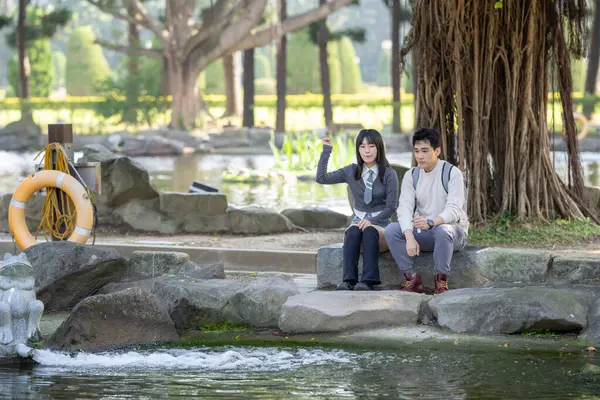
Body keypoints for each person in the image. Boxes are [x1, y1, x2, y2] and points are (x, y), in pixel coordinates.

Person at [384, 127, 469, 295]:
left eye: (425, 151)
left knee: (444, 230)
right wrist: (409, 236)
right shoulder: (412, 175)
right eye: (416, 151)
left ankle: (441, 282)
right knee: (392, 230)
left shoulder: (452, 173)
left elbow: (454, 210)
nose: (420, 156)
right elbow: (405, 208)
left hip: (451, 233)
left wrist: (431, 222)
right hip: (423, 231)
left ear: (437, 151)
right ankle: (412, 278)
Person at [316, 129, 399, 291]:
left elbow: (391, 207)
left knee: (368, 231)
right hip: (358, 224)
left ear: (379, 148)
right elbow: (321, 178)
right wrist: (326, 151)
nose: (366, 151)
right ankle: (349, 280)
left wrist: (371, 222)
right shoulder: (351, 171)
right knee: (352, 232)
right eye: (362, 146)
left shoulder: (389, 174)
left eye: (371, 146)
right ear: (358, 149)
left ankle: (369, 280)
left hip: (381, 226)